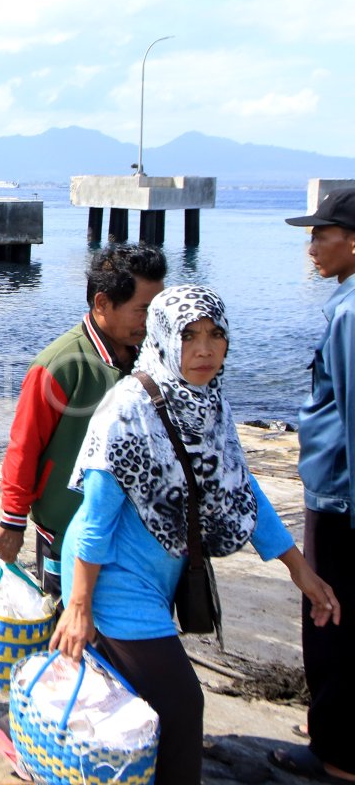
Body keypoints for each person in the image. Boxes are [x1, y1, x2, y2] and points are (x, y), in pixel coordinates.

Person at [50, 285, 339, 785]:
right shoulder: (128, 409)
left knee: (130, 705)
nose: (204, 350)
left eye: (215, 335)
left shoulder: (209, 405)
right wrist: (79, 607)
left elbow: (241, 489)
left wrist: (301, 572)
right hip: (111, 574)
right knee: (182, 704)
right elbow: (94, 518)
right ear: (162, 339)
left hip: (159, 573)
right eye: (188, 337)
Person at [0, 245, 166, 597]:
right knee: (68, 628)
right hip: (65, 530)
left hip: (130, 531)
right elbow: (24, 447)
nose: (153, 322)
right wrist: (12, 521)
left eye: (159, 310)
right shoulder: (59, 365)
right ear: (102, 303)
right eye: (144, 311)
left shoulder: (153, 359)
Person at [269, 189, 355, 783]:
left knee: (327, 616)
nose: (311, 247)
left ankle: (335, 755)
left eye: (320, 235)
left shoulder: (349, 314)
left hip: (339, 499)